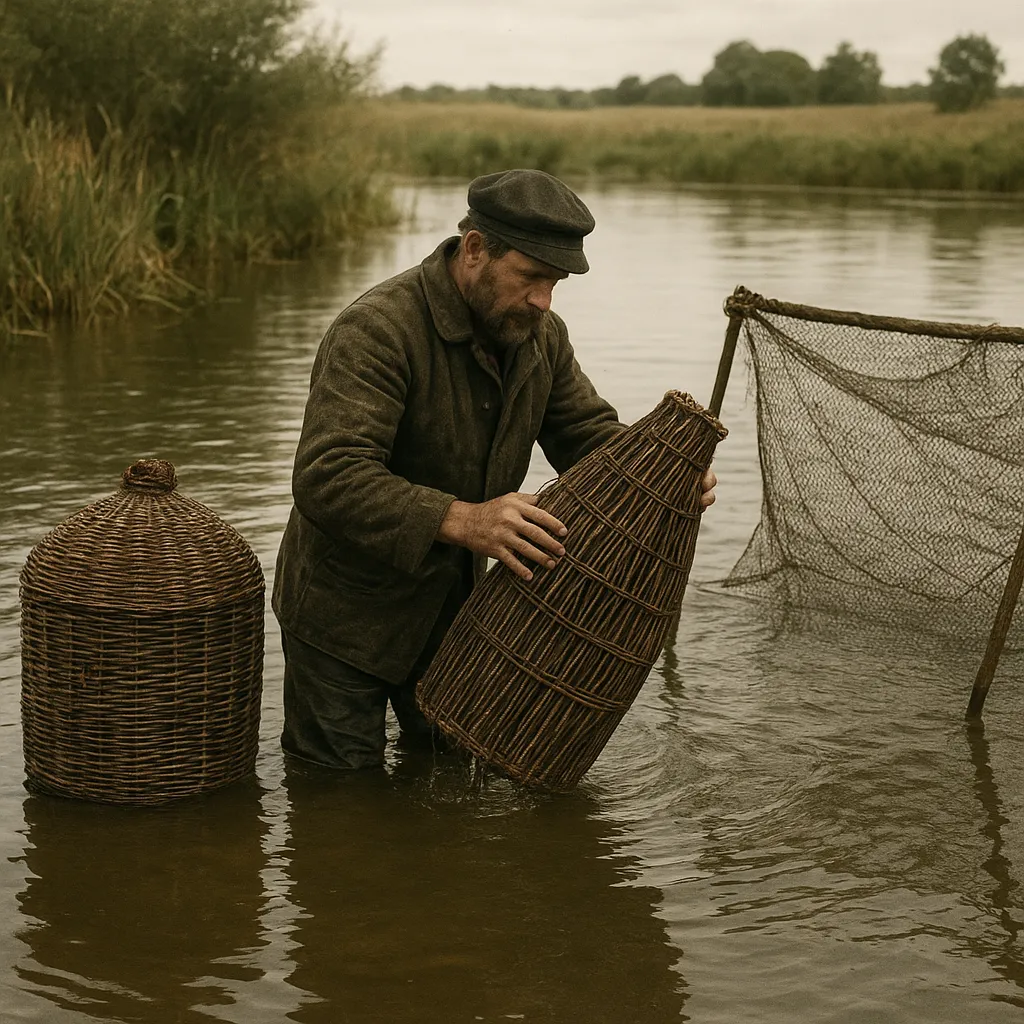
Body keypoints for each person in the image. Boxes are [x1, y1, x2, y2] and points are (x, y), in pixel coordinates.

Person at [272, 168, 716, 770]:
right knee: (339, 798)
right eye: (531, 277)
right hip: (342, 617)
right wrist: (467, 520)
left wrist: (660, 472)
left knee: (450, 776)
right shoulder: (376, 329)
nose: (543, 300)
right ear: (476, 249)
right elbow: (329, 475)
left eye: (554, 283)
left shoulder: (540, 335)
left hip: (455, 618)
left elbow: (587, 434)